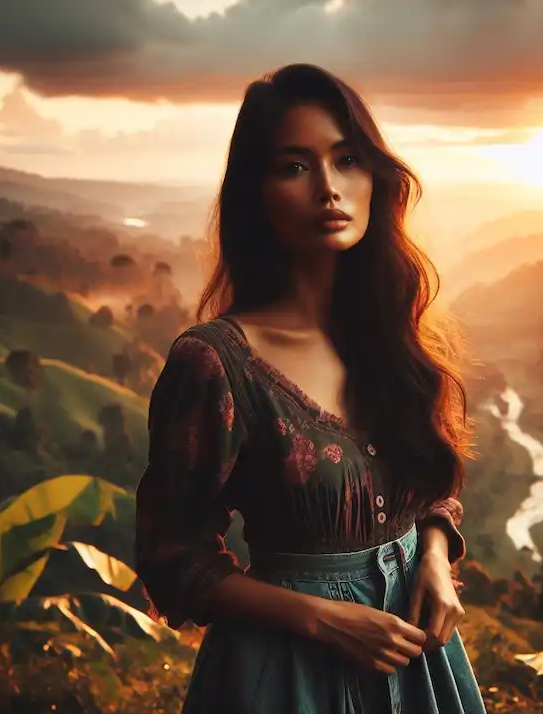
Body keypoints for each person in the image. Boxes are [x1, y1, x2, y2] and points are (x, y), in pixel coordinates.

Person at [134, 63, 487, 714]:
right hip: (286, 674)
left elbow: (431, 484)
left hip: (421, 669)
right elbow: (170, 555)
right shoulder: (215, 364)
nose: (330, 188)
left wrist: (433, 559)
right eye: (295, 167)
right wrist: (323, 619)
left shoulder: (390, 338)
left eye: (347, 160)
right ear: (256, 196)